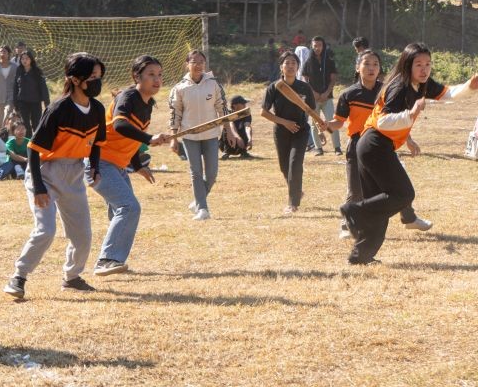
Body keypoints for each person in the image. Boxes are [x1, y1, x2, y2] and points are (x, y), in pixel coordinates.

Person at [340, 42, 478, 265]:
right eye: (418, 64)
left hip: (376, 147)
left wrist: (469, 86)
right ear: (408, 65)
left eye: (427, 64)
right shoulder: (399, 87)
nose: (424, 69)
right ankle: (353, 210)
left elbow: (447, 93)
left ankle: (361, 257)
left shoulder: (422, 84)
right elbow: (383, 121)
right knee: (403, 195)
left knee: (380, 208)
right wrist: (411, 113)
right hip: (374, 144)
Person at [3, 53, 107, 299]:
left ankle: (71, 277)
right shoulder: (58, 108)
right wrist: (39, 187)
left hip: (73, 173)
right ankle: (18, 277)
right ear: (75, 78)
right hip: (45, 173)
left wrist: (94, 167)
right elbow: (33, 149)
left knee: (82, 235)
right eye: (92, 77)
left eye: (99, 77)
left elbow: (96, 143)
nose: (97, 82)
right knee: (46, 230)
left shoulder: (98, 109)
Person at [327, 49, 430, 239]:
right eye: (366, 64)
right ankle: (346, 226)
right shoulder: (348, 94)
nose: (371, 68)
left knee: (395, 185)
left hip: (382, 143)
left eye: (375, 64)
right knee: (355, 188)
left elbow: (395, 119)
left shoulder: (388, 89)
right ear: (357, 68)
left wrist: (409, 140)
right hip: (357, 145)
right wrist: (327, 125)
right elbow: (339, 122)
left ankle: (409, 218)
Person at [91, 56, 172, 277]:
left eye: (160, 75)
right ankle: (107, 260)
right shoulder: (128, 97)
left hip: (117, 165)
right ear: (137, 76)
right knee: (129, 207)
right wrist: (149, 138)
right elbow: (120, 125)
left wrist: (137, 165)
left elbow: (131, 139)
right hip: (99, 162)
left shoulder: (148, 104)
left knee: (120, 211)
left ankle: (114, 259)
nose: (157, 79)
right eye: (151, 75)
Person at [168, 50, 244, 221]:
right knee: (195, 172)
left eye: (201, 61)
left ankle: (198, 199)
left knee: (212, 174)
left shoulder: (213, 84)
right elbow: (175, 113)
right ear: (187, 64)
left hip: (211, 135)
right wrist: (173, 137)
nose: (198, 65)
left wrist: (229, 131)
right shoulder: (179, 88)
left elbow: (223, 109)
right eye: (194, 62)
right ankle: (203, 209)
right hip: (190, 136)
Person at [261, 51, 317, 214]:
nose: (290, 66)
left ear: (298, 67)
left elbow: (312, 111)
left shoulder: (304, 87)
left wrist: (319, 130)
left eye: (294, 63)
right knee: (284, 167)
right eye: (287, 63)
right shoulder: (275, 87)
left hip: (301, 131)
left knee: (295, 164)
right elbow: (264, 112)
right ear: (281, 67)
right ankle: (296, 190)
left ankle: (293, 203)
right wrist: (284, 122)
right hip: (281, 131)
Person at [302, 36, 341, 156]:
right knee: (314, 124)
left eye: (319, 45)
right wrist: (312, 92)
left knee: (331, 122)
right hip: (313, 99)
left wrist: (326, 93)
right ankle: (318, 148)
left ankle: (337, 148)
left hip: (327, 98)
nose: (317, 48)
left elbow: (333, 79)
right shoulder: (308, 61)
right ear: (312, 47)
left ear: (323, 46)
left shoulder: (329, 61)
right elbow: (305, 78)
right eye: (314, 46)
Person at [12, 50, 50, 138]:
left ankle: (36, 143)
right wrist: (15, 103)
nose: (24, 60)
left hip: (35, 102)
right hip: (22, 102)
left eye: (27, 58)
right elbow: (15, 87)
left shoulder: (37, 71)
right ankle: (28, 143)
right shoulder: (19, 70)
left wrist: (46, 102)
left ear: (31, 60)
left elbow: (43, 87)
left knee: (36, 123)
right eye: (22, 59)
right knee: (25, 124)